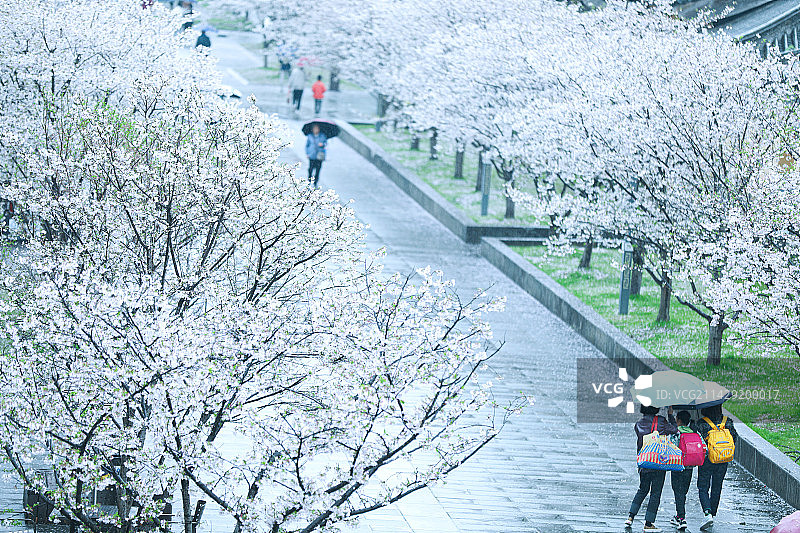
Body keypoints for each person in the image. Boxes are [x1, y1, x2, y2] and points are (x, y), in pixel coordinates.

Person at [626, 405, 677, 532]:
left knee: (642, 490)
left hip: (644, 462)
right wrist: (670, 415)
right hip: (658, 462)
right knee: (655, 493)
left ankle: (630, 517)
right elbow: (675, 430)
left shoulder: (638, 424)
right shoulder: (661, 421)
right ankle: (648, 523)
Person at [692, 405, 738, 530]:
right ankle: (713, 512)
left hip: (707, 460)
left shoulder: (702, 423)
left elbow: (697, 441)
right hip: (723, 459)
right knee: (717, 486)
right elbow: (734, 438)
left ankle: (707, 513)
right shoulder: (727, 421)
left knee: (703, 486)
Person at [669, 411, 695, 531]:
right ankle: (679, 515)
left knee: (677, 491)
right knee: (683, 492)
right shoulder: (694, 432)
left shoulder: (676, 432)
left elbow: (672, 447)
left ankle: (682, 518)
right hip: (689, 467)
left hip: (677, 466)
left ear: (678, 419)